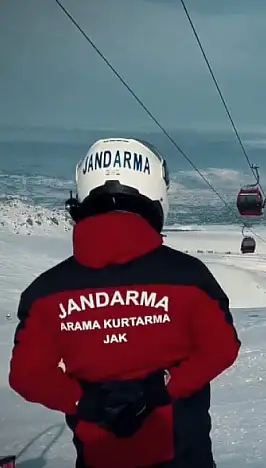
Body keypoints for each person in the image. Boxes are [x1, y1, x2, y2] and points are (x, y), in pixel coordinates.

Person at [8, 138, 241, 468]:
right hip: (184, 456)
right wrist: (161, 388)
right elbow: (222, 347)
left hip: (99, 456)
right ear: (157, 193)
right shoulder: (188, 277)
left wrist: (85, 400)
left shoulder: (46, 292)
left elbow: (27, 374)